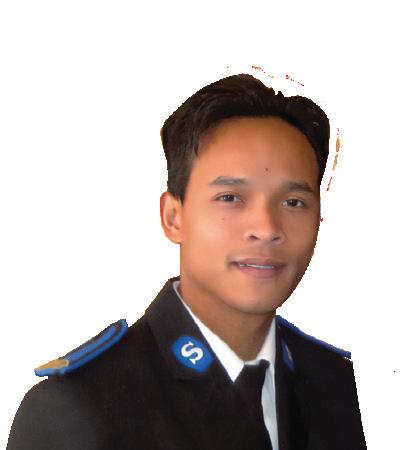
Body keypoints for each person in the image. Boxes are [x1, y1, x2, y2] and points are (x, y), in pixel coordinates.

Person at [7, 74, 367, 450]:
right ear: (173, 217)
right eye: (230, 198)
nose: (266, 229)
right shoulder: (77, 409)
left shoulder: (336, 384)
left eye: (293, 202)